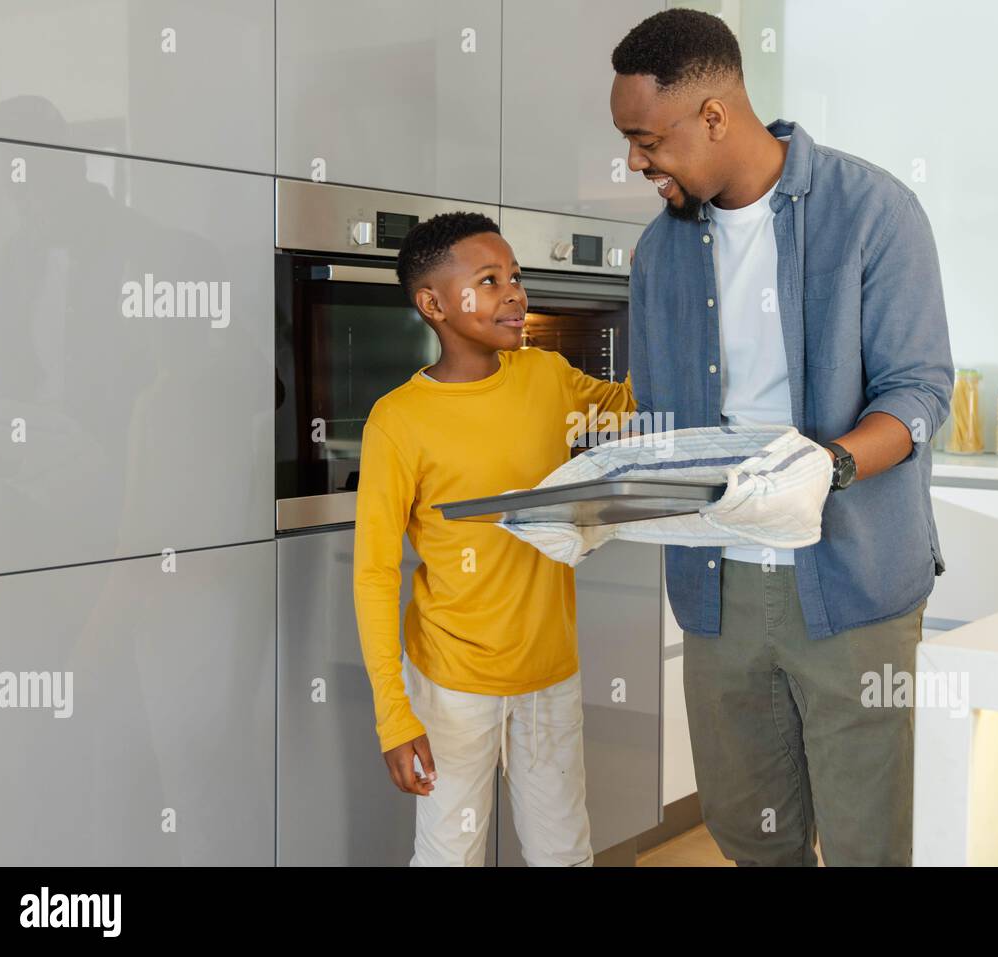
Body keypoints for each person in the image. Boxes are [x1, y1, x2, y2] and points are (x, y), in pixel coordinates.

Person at [610, 9, 954, 866]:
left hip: (853, 583)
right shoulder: (659, 254)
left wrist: (826, 464)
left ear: (715, 116)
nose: (634, 162)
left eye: (646, 139)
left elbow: (918, 393)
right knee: (749, 837)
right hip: (717, 585)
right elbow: (661, 422)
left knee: (871, 843)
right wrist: (600, 498)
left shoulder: (873, 210)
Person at [353, 212, 634, 866]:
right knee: (450, 855)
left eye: (515, 275)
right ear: (434, 304)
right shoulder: (398, 421)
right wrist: (395, 717)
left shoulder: (547, 377)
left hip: (549, 676)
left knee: (565, 853)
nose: (514, 292)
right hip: (452, 685)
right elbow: (373, 573)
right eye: (489, 279)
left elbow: (633, 412)